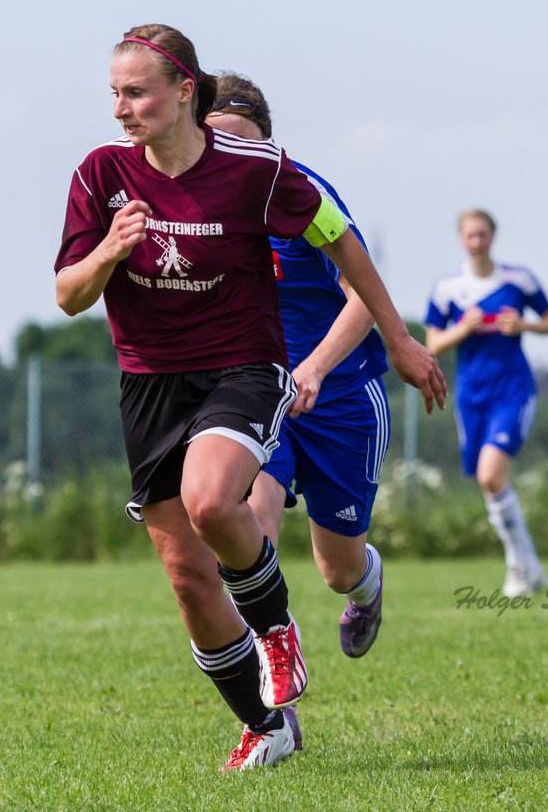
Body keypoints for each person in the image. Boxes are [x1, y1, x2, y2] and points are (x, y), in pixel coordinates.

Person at [54, 23, 446, 770]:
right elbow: (69, 295)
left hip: (247, 370)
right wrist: (110, 249)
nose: (120, 109)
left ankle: (276, 627)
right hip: (150, 384)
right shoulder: (101, 176)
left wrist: (397, 340)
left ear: (183, 92)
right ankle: (267, 725)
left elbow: (344, 244)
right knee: (189, 577)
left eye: (135, 92)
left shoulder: (261, 170)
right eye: (114, 93)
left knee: (216, 503)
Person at [205, 73, 389, 661]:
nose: (232, 156)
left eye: (244, 143)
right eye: (218, 143)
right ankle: (275, 689)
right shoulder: (193, 209)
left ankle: (367, 587)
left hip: (339, 396)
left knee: (337, 568)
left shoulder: (303, 195)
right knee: (247, 532)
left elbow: (366, 294)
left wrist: (312, 367)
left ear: (268, 146)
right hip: (257, 397)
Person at [425, 210, 548, 596]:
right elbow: (433, 343)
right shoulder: (448, 287)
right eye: (470, 235)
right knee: (489, 484)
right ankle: (529, 567)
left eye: (483, 234)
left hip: (513, 389)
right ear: (462, 239)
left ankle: (519, 570)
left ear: (493, 236)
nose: (477, 241)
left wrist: (523, 325)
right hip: (471, 395)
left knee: (491, 475)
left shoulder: (518, 279)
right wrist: (463, 328)